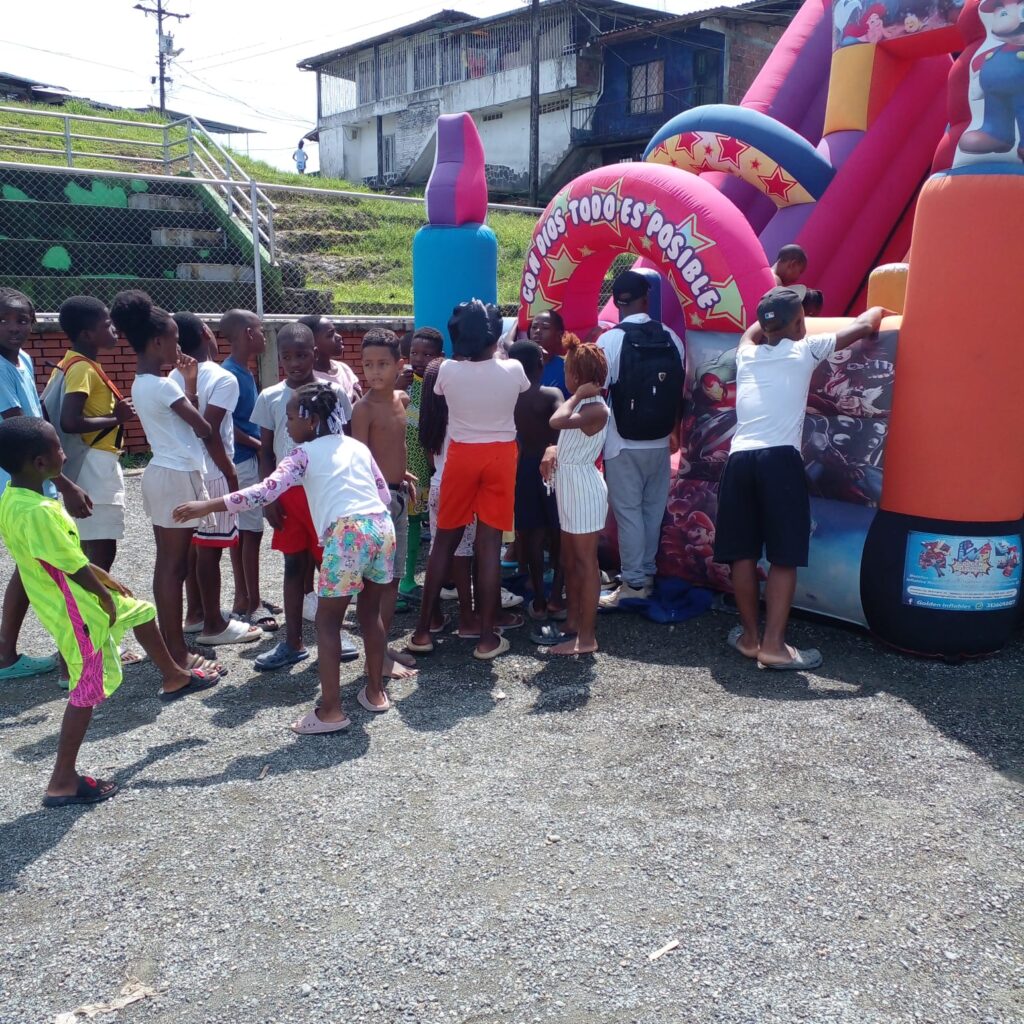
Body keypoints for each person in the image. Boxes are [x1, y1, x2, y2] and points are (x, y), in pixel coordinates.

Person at [0, 419, 221, 804]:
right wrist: (103, 595)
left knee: (140, 610)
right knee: (86, 688)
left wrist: (106, 580)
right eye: (58, 448)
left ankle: (174, 676)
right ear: (39, 462)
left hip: (76, 596)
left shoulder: (13, 499)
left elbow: (61, 556)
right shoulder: (40, 512)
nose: (64, 452)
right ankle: (62, 780)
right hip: (78, 609)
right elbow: (70, 565)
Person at [174, 383, 396, 732]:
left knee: (327, 622)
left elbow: (265, 491)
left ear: (312, 420)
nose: (287, 426)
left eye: (291, 418)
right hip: (381, 528)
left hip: (346, 533)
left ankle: (331, 712)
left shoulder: (301, 454)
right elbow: (383, 494)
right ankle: (375, 692)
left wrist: (209, 505)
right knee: (370, 613)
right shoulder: (357, 447)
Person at [713, 285, 884, 670]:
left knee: (741, 554)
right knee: (784, 555)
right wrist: (880, 308)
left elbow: (751, 333)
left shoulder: (747, 354)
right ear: (799, 324)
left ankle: (750, 638)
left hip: (739, 460)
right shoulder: (805, 349)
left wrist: (772, 315)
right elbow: (864, 325)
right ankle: (774, 646)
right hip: (779, 460)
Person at [112, 290, 224, 681]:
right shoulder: (164, 386)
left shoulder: (142, 383)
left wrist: (186, 385)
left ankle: (173, 645)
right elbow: (204, 427)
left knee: (169, 564)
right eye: (175, 339)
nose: (179, 347)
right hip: (177, 476)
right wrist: (190, 384)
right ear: (158, 342)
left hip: (162, 472)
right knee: (174, 567)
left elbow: (182, 424)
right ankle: (176, 651)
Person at [407, 301, 529, 660]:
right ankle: (487, 638)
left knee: (444, 542)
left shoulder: (446, 371)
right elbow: (517, 379)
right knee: (489, 546)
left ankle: (422, 632)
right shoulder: (514, 369)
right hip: (501, 456)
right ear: (494, 338)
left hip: (461, 456)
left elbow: (443, 389)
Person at [0, 288, 93, 682]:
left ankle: (7, 654)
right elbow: (21, 429)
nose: (14, 327)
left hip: (37, 478)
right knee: (54, 567)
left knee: (29, 567)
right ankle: (76, 658)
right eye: (4, 320)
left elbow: (37, 418)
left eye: (22, 320)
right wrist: (66, 483)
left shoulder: (22, 359)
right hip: (19, 482)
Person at [251, 322, 354, 670]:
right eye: (287, 357)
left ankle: (337, 634)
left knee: (332, 566)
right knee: (293, 565)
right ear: (278, 358)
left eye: (302, 355)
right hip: (288, 495)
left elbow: (348, 441)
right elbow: (265, 451)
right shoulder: (270, 397)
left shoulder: (334, 392)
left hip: (326, 493)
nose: (295, 363)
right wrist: (269, 498)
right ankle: (292, 641)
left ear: (315, 353)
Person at [172, 312, 262, 648]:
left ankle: (195, 613)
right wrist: (230, 472)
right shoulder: (224, 378)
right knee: (212, 549)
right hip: (214, 471)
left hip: (186, 469)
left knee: (196, 546)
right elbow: (209, 431)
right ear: (205, 333)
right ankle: (214, 624)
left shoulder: (173, 375)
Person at [597, 271, 685, 608]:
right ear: (647, 299)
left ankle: (633, 583)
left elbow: (598, 390)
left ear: (616, 301)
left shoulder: (610, 341)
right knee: (652, 510)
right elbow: (678, 390)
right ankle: (646, 575)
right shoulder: (671, 337)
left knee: (629, 513)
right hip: (660, 441)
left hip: (621, 442)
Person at [46, 296, 135, 580]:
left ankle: (85, 603)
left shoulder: (72, 363)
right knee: (102, 546)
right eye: (106, 325)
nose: (114, 330)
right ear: (86, 334)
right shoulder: (82, 367)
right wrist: (116, 418)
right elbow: (70, 421)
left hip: (91, 460)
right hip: (94, 463)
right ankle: (93, 603)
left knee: (91, 543)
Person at [350, 328, 417, 679]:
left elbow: (395, 446)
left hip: (398, 497)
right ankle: (374, 657)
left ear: (398, 365)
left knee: (393, 579)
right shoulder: (362, 410)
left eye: (382, 364)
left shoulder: (401, 400)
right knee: (376, 582)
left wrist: (402, 474)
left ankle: (382, 646)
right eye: (368, 364)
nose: (374, 371)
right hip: (376, 504)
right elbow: (361, 460)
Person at [538, 339, 610, 655]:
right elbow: (565, 438)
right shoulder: (583, 405)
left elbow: (556, 421)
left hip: (583, 490)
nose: (564, 376)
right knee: (570, 560)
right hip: (570, 487)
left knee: (586, 563)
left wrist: (577, 395)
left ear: (577, 377)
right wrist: (553, 449)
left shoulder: (594, 407)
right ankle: (573, 622)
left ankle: (587, 637)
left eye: (568, 371)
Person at [219, 308, 278, 630]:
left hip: (245, 458)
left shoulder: (241, 370)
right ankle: (251, 603)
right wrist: (260, 446)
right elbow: (228, 424)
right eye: (260, 328)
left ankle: (245, 596)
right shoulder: (231, 374)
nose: (264, 335)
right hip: (243, 461)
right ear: (247, 334)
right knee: (250, 532)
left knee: (244, 531)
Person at [508, 340, 564, 621]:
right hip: (553, 467)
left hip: (524, 467)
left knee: (532, 533)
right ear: (540, 365)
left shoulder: (508, 398)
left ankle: (539, 599)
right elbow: (563, 423)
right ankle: (557, 597)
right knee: (559, 531)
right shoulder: (550, 394)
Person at [397, 326, 445, 601]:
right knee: (411, 523)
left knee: (435, 523)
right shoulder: (402, 383)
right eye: (414, 353)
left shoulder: (441, 386)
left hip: (434, 464)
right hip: (409, 465)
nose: (419, 359)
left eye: (427, 354)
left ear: (440, 356)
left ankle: (442, 579)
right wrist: (395, 388)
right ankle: (405, 580)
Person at [303, 314, 362, 404]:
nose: (339, 337)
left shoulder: (344, 368)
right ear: (313, 344)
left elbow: (360, 401)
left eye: (335, 332)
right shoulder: (310, 380)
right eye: (330, 335)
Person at [529, 310, 572, 399]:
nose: (537, 331)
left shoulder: (568, 368)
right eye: (534, 327)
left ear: (559, 335)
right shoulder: (520, 365)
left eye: (545, 328)